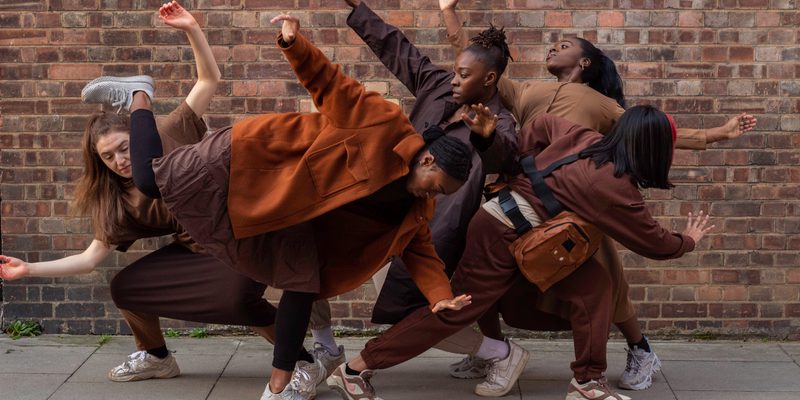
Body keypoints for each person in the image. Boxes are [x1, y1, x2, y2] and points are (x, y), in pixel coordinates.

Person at [120, 15, 478, 400]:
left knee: (302, 284)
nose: (432, 196)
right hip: (254, 162)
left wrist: (440, 296)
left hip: (298, 217)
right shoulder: (384, 126)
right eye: (435, 186)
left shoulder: (416, 208)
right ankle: (140, 94)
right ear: (428, 161)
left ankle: (278, 385)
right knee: (148, 181)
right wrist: (294, 43)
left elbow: (422, 254)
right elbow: (332, 84)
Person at [432, 0, 758, 392]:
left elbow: (654, 132)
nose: (554, 46)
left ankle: (639, 349)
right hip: (524, 196)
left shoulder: (602, 104)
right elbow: (476, 67)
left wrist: (718, 133)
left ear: (584, 62)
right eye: (554, 43)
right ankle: (492, 351)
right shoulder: (526, 91)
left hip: (577, 205)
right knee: (486, 273)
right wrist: (449, 14)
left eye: (565, 44)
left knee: (608, 285)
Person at [327, 105, 714, 400]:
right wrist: (689, 239)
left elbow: (542, 125)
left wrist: (518, 158)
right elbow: (653, 243)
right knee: (456, 309)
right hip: (501, 233)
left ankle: (587, 381)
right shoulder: (616, 189)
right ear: (653, 150)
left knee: (595, 287)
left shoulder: (581, 137)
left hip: (527, 235)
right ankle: (356, 369)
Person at [0, 0, 282, 386]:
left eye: (124, 148)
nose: (119, 160)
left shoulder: (167, 133)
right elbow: (89, 259)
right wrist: (29, 269)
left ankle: (295, 358)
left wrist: (191, 29)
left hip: (243, 237)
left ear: (138, 136)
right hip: (197, 252)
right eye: (108, 156)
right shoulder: (118, 199)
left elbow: (208, 80)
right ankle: (156, 357)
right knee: (125, 287)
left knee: (239, 300)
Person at [305, 0, 519, 379]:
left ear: (489, 79)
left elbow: (504, 156)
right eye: (455, 71)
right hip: (389, 212)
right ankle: (492, 351)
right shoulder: (438, 87)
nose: (454, 80)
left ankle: (501, 353)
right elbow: (396, 48)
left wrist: (486, 139)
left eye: (463, 74)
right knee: (328, 260)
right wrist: (359, 9)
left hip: (434, 232)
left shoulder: (498, 122)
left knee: (418, 311)